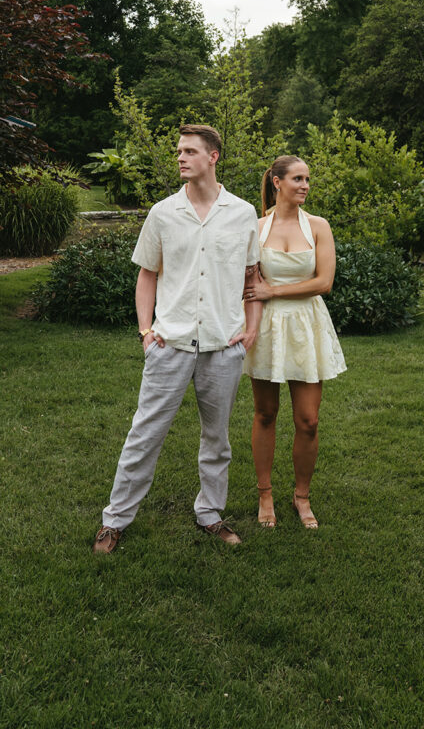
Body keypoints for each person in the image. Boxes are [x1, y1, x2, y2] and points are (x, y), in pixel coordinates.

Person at [93, 125, 262, 553]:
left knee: (217, 438)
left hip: (223, 348)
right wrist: (146, 330)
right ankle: (114, 521)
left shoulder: (242, 214)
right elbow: (147, 274)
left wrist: (251, 329)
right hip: (170, 344)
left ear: (213, 157)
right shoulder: (163, 213)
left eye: (190, 151)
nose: (181, 158)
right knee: (144, 433)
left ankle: (210, 513)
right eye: (179, 151)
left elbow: (251, 279)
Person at [242, 155, 346, 530]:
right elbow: (248, 284)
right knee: (265, 413)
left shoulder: (318, 226)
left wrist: (274, 290)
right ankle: (265, 493)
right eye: (298, 179)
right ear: (277, 182)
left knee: (309, 420)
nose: (304, 185)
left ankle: (301, 496)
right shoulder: (256, 228)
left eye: (307, 179)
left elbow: (324, 282)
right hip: (267, 327)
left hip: (307, 324)